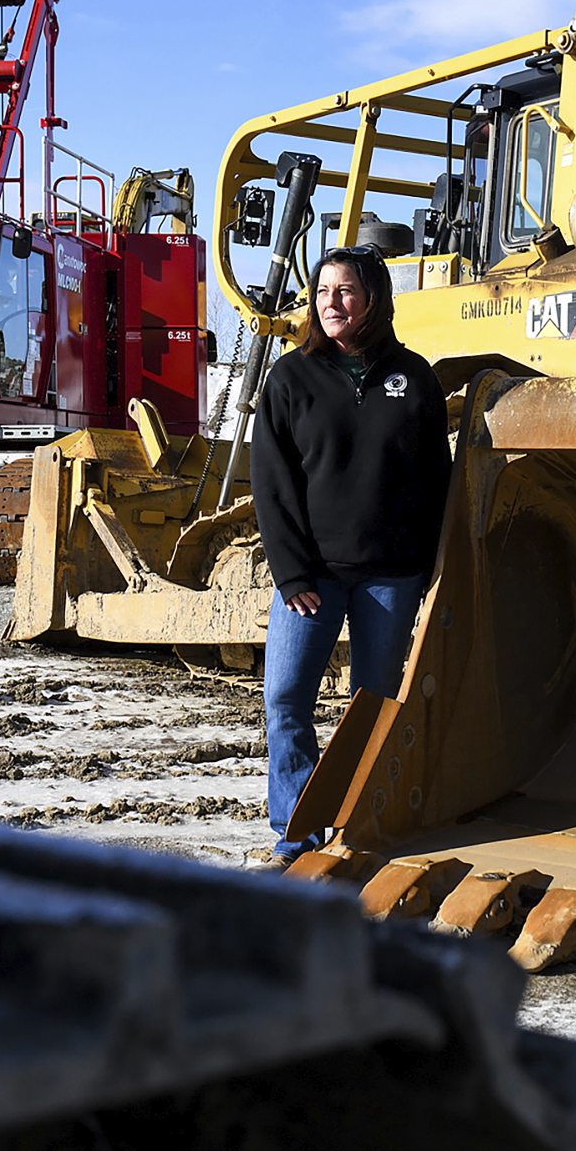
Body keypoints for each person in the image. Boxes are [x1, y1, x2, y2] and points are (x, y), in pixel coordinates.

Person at [253, 245, 451, 861]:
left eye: (345, 292)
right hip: (311, 578)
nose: (331, 304)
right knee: (285, 699)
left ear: (374, 301)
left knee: (375, 705)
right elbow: (272, 486)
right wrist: (291, 574)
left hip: (389, 579)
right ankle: (298, 829)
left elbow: (435, 481)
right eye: (323, 292)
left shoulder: (414, 376)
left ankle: (364, 824)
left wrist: (424, 569)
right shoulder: (289, 378)